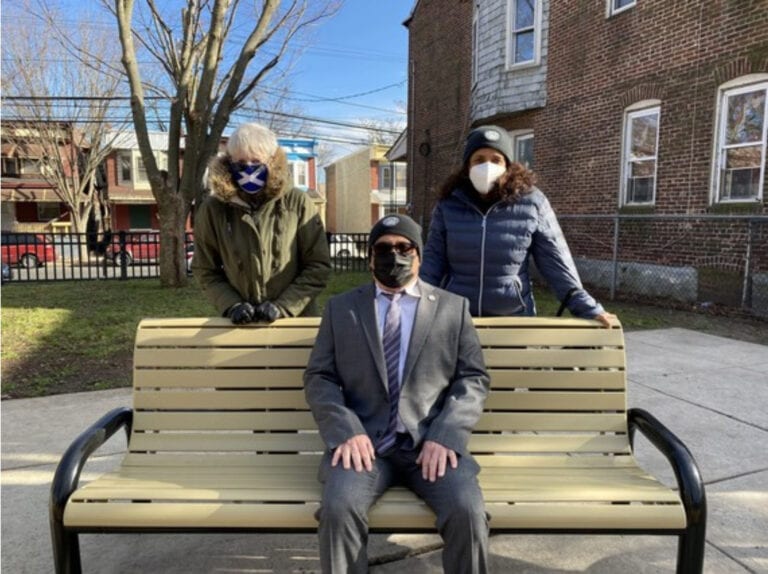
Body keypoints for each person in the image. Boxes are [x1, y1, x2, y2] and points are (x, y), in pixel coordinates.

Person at [304, 214, 490, 574]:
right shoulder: (341, 309)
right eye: (384, 249)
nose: (395, 256)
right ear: (370, 257)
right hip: (365, 448)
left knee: (467, 511)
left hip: (431, 446)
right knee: (338, 509)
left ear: (419, 255)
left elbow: (473, 378)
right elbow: (319, 377)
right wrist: (346, 430)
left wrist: (446, 435)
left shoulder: (453, 308)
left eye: (404, 248)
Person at [420, 125, 616, 326]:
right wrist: (415, 304)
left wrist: (588, 309)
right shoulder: (449, 205)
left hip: (513, 320)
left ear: (508, 165)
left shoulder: (532, 202)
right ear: (467, 167)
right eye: (478, 160)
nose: (487, 166)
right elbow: (432, 262)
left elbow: (556, 263)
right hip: (457, 319)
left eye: (496, 160)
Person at [192, 122, 331, 323]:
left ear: (271, 161)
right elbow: (205, 269)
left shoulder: (297, 202)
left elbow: (317, 265)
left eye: (256, 160)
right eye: (240, 162)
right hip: (241, 325)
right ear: (229, 163)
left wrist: (284, 307)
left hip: (295, 323)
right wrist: (231, 305)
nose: (248, 168)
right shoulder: (214, 209)